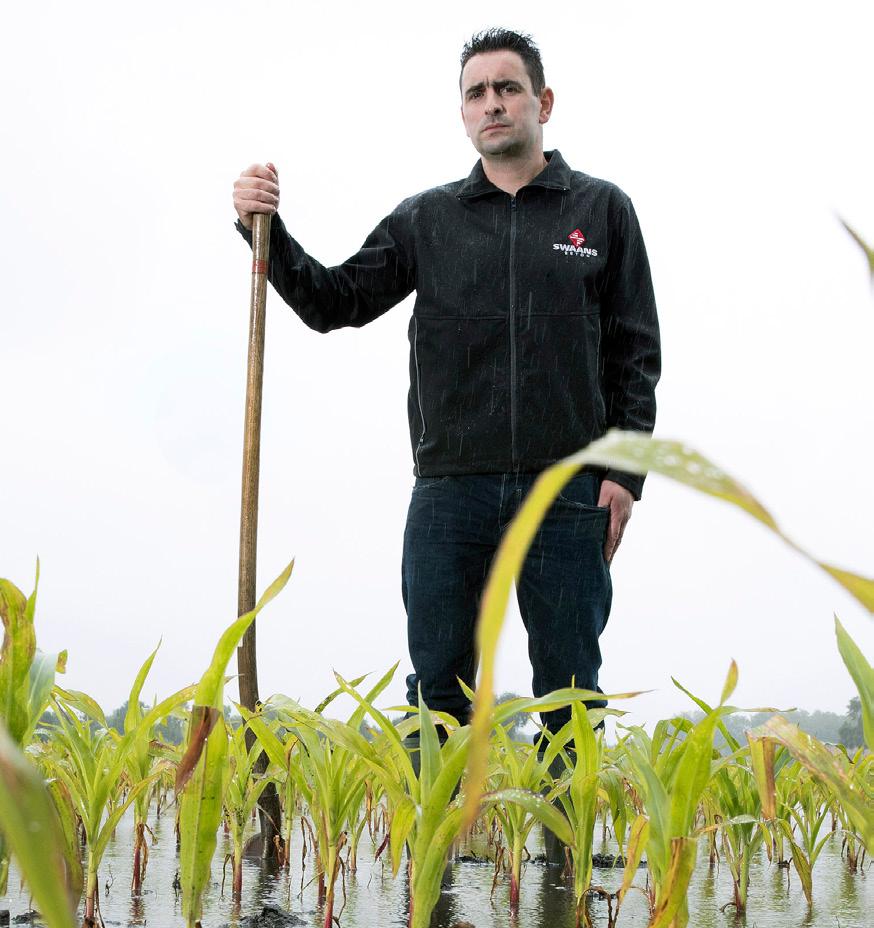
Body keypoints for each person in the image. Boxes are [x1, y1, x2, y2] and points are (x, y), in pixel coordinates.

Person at [232, 28, 660, 736]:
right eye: (476, 93)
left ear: (543, 101)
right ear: (463, 113)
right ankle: (442, 847)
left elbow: (635, 351)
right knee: (437, 689)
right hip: (450, 487)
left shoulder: (602, 211)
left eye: (507, 88)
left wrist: (624, 472)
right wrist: (264, 232)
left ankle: (564, 848)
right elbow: (335, 301)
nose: (492, 103)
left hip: (568, 487)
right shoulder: (427, 219)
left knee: (571, 692)